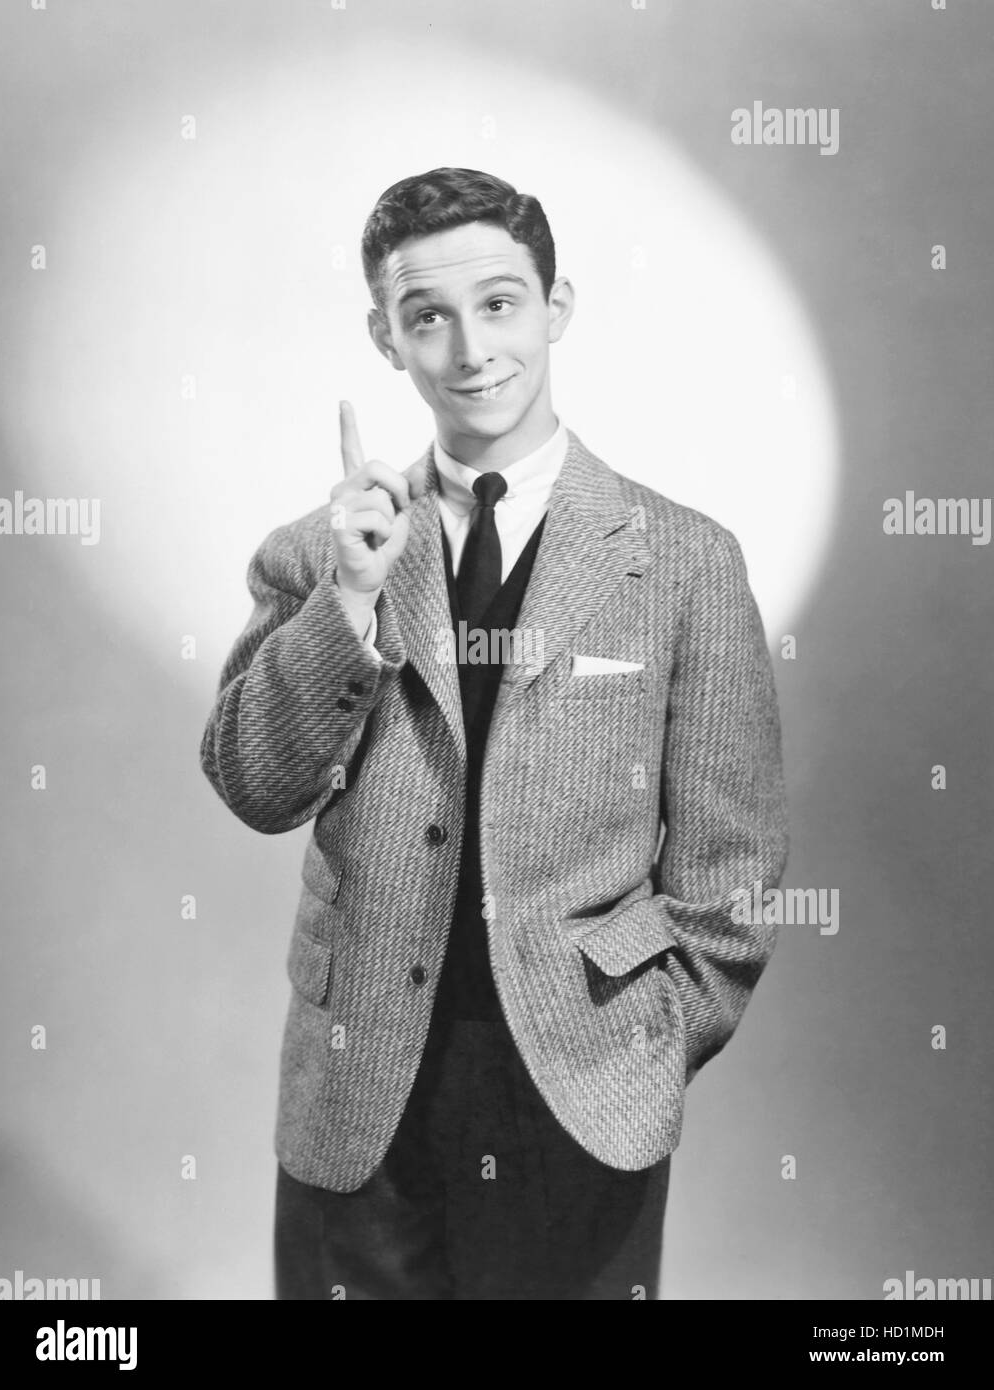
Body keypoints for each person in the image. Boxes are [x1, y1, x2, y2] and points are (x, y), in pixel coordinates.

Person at [199, 166, 789, 1300]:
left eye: (502, 304)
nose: (471, 347)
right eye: (429, 316)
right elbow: (250, 783)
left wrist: (646, 1046)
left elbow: (734, 873)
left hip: (581, 1086)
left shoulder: (684, 561)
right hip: (358, 1091)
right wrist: (349, 606)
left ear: (557, 308)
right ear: (386, 337)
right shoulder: (320, 552)